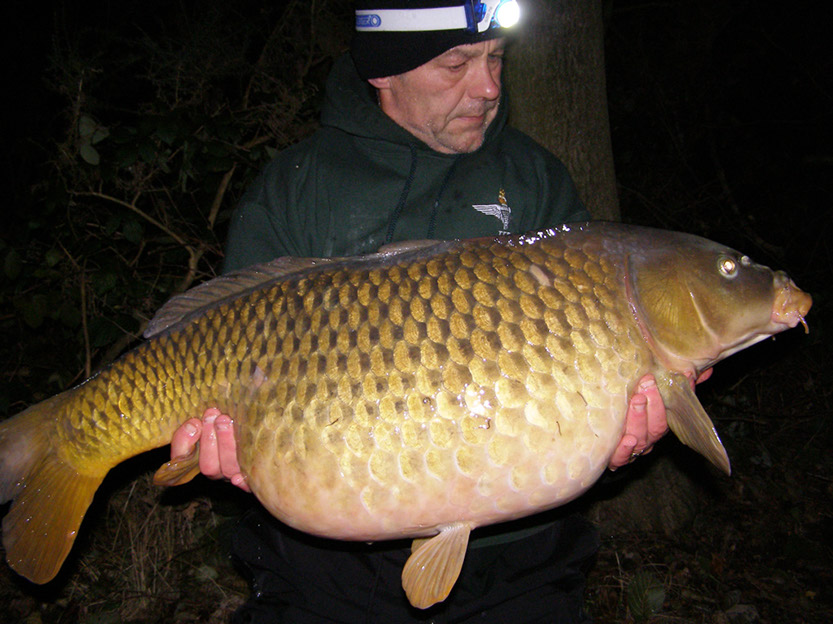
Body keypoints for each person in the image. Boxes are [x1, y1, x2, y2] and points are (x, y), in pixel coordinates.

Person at [170, 2, 700, 621]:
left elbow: (581, 405)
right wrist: (234, 455)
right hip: (325, 568)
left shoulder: (536, 183)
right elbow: (226, 358)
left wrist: (617, 445)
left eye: (497, 57)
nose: (489, 86)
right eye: (456, 63)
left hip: (519, 564)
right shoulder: (297, 188)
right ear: (383, 73)